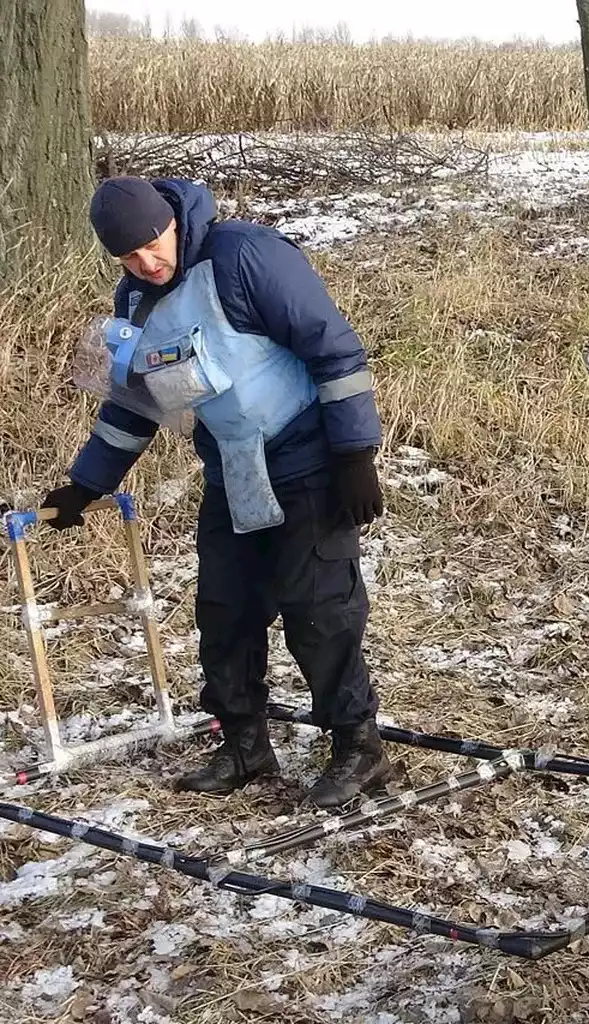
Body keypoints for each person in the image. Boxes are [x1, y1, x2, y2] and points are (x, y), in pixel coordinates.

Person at [41, 175, 391, 808]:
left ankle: (359, 749)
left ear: (172, 221)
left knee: (319, 612)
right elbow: (134, 406)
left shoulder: (244, 257)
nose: (147, 263)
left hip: (307, 459)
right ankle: (244, 746)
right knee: (225, 612)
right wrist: (85, 484)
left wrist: (355, 454)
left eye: (153, 244)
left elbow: (334, 350)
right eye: (128, 257)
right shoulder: (136, 305)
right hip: (232, 469)